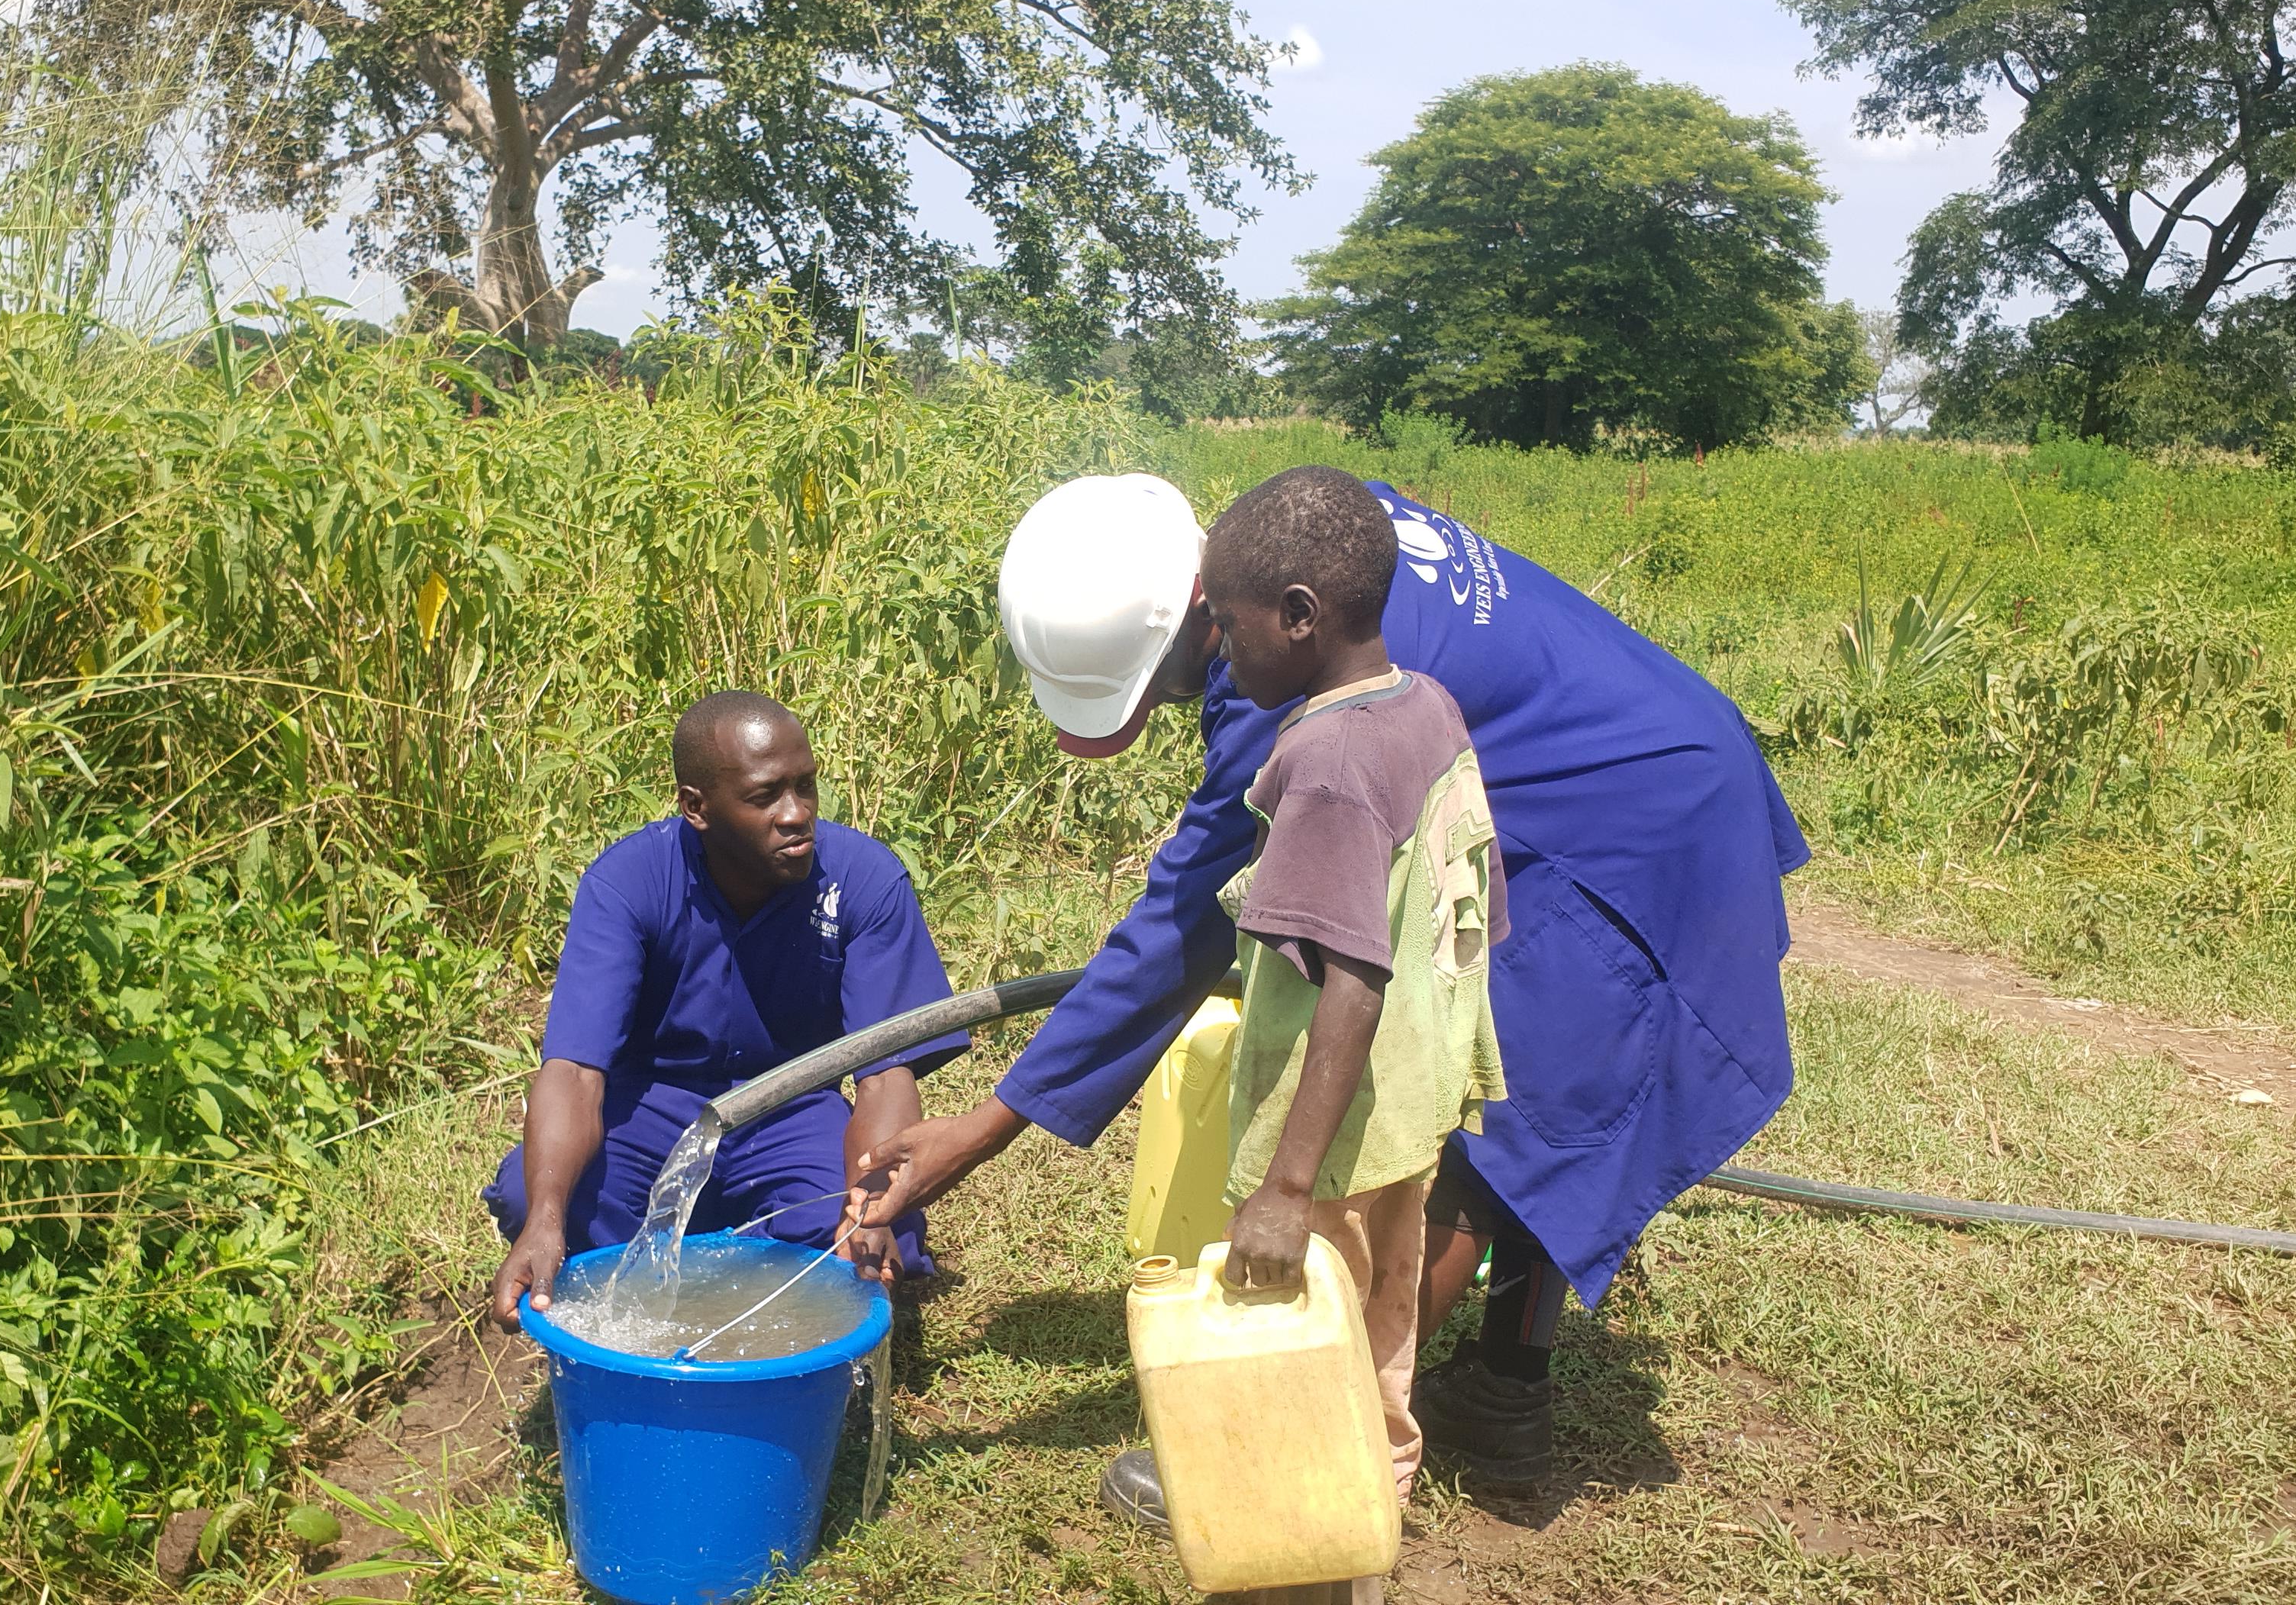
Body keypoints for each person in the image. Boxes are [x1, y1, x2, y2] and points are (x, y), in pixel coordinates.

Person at [851, 467, 1807, 1515]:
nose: (1180, 706)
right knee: (1522, 1104)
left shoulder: (1316, 708)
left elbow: (1184, 924)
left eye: (1169, 683)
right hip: (1658, 746)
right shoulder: (1308, 542)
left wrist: (987, 1127)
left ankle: (1274, 1448)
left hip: (1632, 817)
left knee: (1494, 1135)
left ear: (1213, 619)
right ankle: (1501, 1396)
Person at [1195, 466, 1509, 1510]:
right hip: (1401, 1114)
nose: (1219, 648)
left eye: (1228, 625)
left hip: (1322, 1140)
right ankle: (1375, 1503)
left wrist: (1287, 1190)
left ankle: (1303, 1537)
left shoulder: (1326, 759)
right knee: (1377, 1335)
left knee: (1306, 1347)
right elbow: (1469, 904)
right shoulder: (1425, 705)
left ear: (1297, 617)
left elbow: (1354, 978)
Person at [487, 691, 957, 1326]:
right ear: (696, 808)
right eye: (767, 797)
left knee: (863, 1233)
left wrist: (866, 1207)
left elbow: (884, 1075)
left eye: (806, 787)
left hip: (792, 1108)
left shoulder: (864, 882)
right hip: (649, 1111)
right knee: (533, 1194)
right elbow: (574, 1072)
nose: (797, 815)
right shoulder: (628, 884)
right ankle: (620, 1321)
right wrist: (544, 1221)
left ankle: (795, 1322)